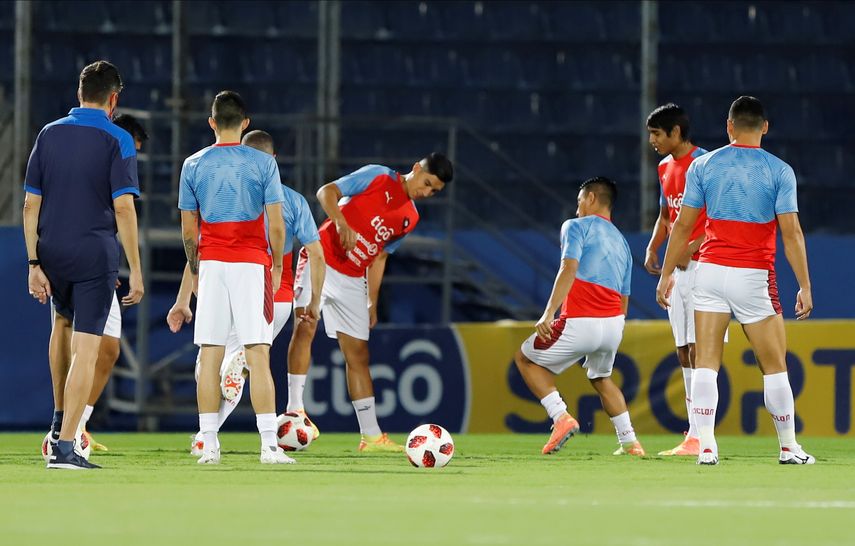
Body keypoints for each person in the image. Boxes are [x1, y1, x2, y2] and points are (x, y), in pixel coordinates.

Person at [656, 96, 815, 465]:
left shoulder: (704, 165)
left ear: (729, 126)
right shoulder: (780, 171)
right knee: (773, 365)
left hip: (709, 273)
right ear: (765, 127)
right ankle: (789, 447)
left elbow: (681, 227)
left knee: (706, 363)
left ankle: (706, 446)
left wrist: (665, 275)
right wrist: (805, 285)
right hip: (753, 276)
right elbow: (791, 234)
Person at [167, 129, 326, 454]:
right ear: (273, 160)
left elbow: (200, 250)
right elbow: (317, 255)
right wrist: (313, 302)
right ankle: (237, 435)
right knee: (249, 361)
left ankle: (207, 436)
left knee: (210, 364)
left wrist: (183, 300)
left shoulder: (228, 195)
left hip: (230, 287)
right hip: (275, 298)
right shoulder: (293, 200)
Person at [23, 60, 144, 470]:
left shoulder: (48, 132)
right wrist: (136, 269)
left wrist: (33, 262)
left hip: (51, 251)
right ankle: (65, 446)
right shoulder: (118, 138)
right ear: (114, 99)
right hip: (94, 252)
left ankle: (58, 419)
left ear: (79, 93)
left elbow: (30, 205)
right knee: (87, 348)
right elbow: (124, 208)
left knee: (61, 325)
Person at [287, 154, 452, 451]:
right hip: (322, 258)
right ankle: (294, 410)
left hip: (354, 278)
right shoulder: (378, 176)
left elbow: (381, 256)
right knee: (305, 325)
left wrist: (371, 300)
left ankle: (372, 436)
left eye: (434, 191)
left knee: (359, 355)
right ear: (416, 168)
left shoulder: (410, 217)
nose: (427, 192)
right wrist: (340, 223)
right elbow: (326, 191)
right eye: (427, 183)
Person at [178, 91, 292, 465]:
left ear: (212, 122)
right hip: (251, 264)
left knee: (210, 353)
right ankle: (269, 447)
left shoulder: (193, 164)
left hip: (212, 263)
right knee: (257, 354)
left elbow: (189, 230)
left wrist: (196, 270)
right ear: (245, 123)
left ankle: (209, 444)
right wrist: (277, 267)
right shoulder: (263, 163)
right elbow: (276, 224)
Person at [514, 177, 645, 457]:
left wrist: (549, 313)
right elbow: (624, 297)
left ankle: (560, 416)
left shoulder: (575, 226)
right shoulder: (622, 242)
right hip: (614, 325)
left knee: (525, 359)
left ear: (592, 198)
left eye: (579, 201)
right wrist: (612, 328)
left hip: (581, 320)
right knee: (602, 378)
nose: (576, 209)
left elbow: (568, 268)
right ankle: (630, 443)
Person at [72, 113, 149, 452]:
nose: (133, 158)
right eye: (132, 149)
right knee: (76, 343)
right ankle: (63, 426)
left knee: (108, 350)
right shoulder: (90, 160)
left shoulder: (115, 168)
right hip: (77, 257)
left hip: (100, 261)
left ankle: (79, 424)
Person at [644, 103, 711, 456]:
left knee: (700, 349)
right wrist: (654, 247)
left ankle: (702, 434)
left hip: (705, 266)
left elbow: (720, 217)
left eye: (656, 134)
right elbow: (667, 215)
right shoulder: (663, 167)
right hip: (679, 270)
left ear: (676, 132)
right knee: (683, 350)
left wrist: (692, 247)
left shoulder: (705, 164)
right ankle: (693, 434)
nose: (652, 141)